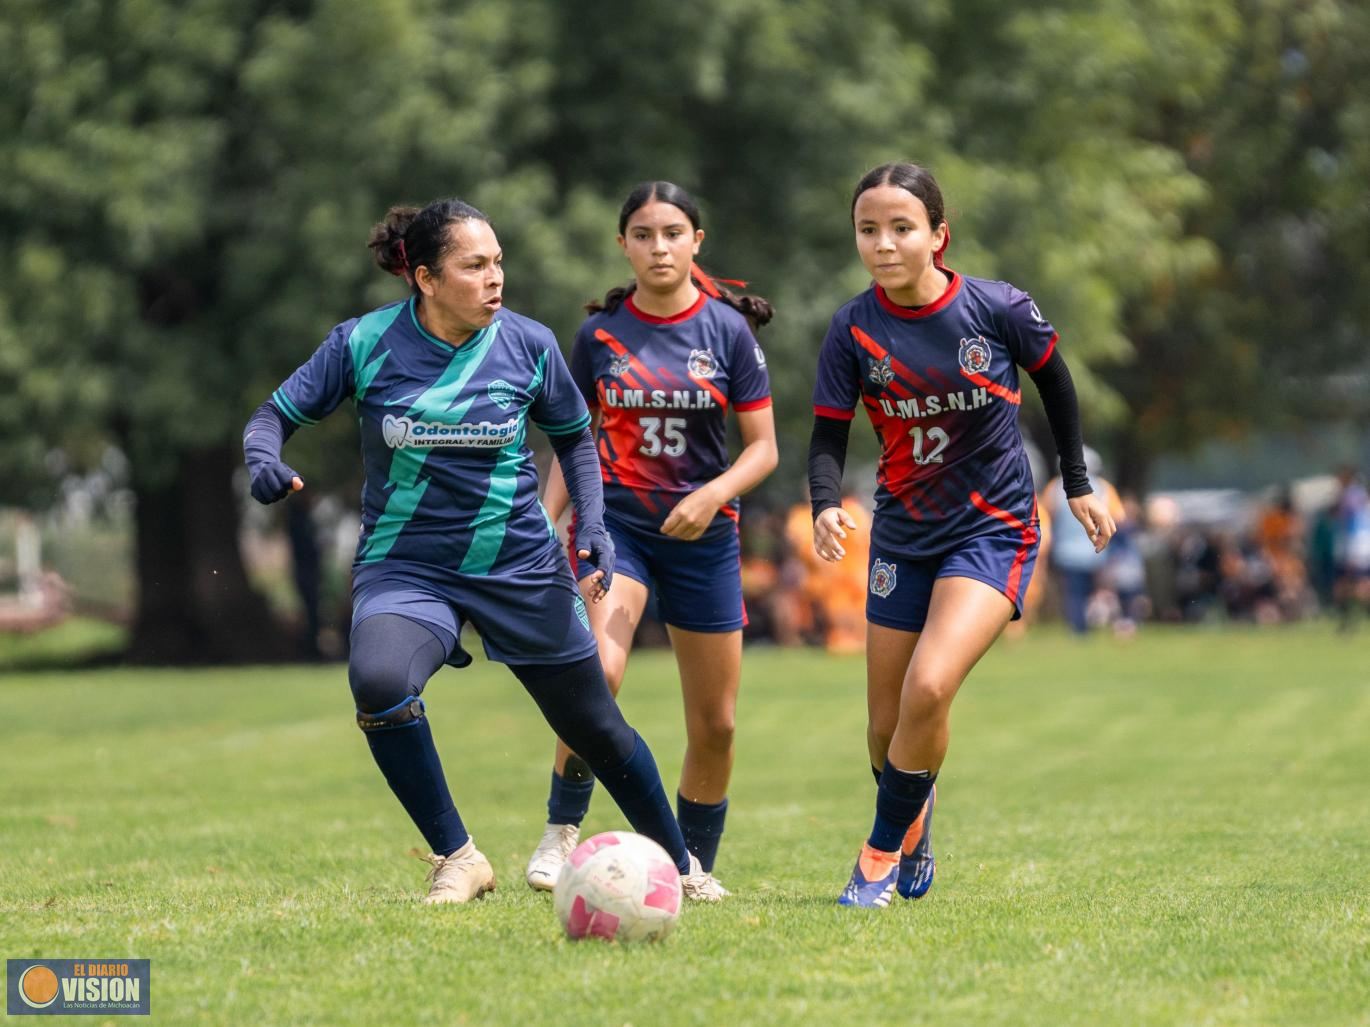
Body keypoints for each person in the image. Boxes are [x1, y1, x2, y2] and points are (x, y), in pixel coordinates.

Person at [242, 197, 725, 904]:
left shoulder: (527, 343)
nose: (496, 277)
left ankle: (683, 866)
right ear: (426, 278)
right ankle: (458, 856)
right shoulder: (363, 343)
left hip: (520, 567)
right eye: (475, 266)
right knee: (379, 683)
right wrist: (262, 458)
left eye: (498, 262)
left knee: (596, 726)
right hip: (407, 567)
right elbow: (272, 416)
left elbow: (574, 439)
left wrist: (591, 522)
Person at [808, 162, 1116, 907]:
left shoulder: (998, 307)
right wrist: (823, 502)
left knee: (931, 684)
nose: (883, 242)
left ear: (938, 236)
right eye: (868, 229)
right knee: (885, 729)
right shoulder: (853, 329)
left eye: (901, 227)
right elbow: (826, 434)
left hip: (993, 527)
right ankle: (917, 825)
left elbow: (1059, 384)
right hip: (903, 534)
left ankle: (876, 858)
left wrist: (1076, 481)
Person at [523, 181, 778, 893]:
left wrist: (713, 494)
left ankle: (693, 865)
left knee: (717, 723)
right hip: (617, 529)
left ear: (697, 241)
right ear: (623, 245)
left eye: (672, 233)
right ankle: (559, 830)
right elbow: (574, 441)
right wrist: (548, 526)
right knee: (597, 672)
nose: (658, 246)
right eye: (643, 234)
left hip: (704, 537)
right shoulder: (600, 335)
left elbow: (763, 449)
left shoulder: (727, 330)